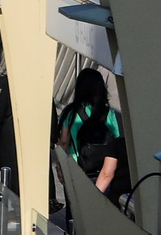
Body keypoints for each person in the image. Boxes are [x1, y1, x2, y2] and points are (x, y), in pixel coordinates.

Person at [54, 68, 129, 200]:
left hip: (76, 170)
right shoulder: (109, 113)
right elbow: (115, 142)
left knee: (75, 215)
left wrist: (60, 168)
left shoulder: (70, 112)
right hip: (102, 173)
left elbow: (64, 142)